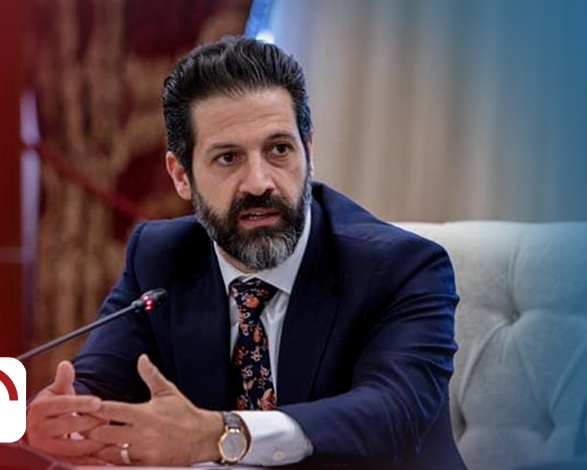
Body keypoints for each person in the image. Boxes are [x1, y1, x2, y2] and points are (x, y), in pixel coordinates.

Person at [26, 36, 465, 469]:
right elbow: (100, 381)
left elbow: (391, 414)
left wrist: (221, 434)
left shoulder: (402, 268)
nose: (259, 182)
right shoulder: (160, 258)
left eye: (279, 150)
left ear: (308, 152)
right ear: (181, 176)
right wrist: (69, 417)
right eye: (228, 158)